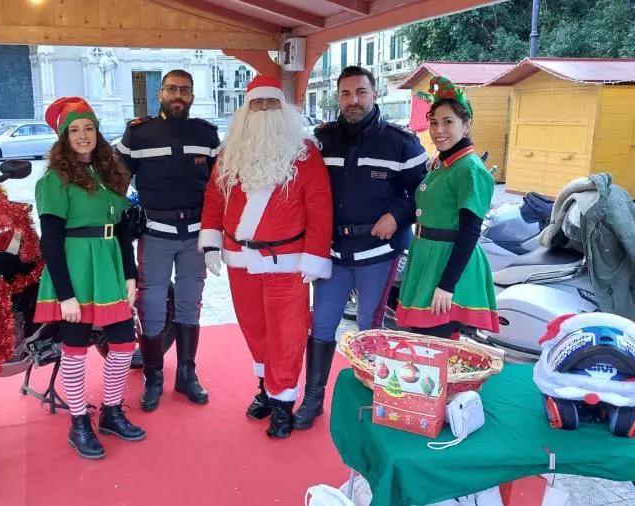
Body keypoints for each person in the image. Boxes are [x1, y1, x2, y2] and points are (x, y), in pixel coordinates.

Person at [199, 75, 333, 439]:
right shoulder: (230, 152)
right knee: (254, 330)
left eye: (270, 103)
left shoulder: (305, 152)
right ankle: (267, 390)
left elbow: (320, 208)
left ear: (282, 109)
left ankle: (283, 404)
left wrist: (313, 257)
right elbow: (214, 199)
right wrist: (211, 242)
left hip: (287, 261)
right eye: (257, 104)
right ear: (246, 110)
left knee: (287, 334)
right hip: (241, 260)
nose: (263, 110)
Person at [298, 66, 427, 430]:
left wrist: (398, 215)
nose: (353, 100)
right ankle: (313, 398)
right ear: (337, 98)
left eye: (360, 92)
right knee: (322, 323)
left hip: (377, 251)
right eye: (345, 94)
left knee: (371, 327)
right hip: (334, 252)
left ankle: (372, 396)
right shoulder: (321, 140)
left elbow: (422, 191)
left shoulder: (401, 142)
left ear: (374, 95)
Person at [34, 96, 146, 460]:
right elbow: (50, 240)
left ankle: (111, 411)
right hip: (76, 271)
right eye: (75, 130)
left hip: (110, 268)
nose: (83, 136)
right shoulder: (55, 180)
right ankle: (79, 421)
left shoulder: (110, 174)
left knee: (124, 344)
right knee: (76, 349)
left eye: (89, 128)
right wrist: (65, 294)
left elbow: (122, 231)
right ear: (63, 137)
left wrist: (129, 276)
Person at [117, 69, 220, 412]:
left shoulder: (206, 134)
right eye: (172, 89)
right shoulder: (139, 133)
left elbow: (221, 186)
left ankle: (187, 375)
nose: (179, 95)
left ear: (192, 95)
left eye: (185, 90)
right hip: (155, 233)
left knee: (191, 302)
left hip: (195, 234)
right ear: (160, 94)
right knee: (151, 306)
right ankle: (154, 377)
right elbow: (116, 181)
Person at [395, 76, 500, 337]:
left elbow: (470, 232)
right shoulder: (443, 163)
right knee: (424, 346)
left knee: (437, 349)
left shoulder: (470, 169)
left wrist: (446, 285)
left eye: (448, 122)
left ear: (467, 125)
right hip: (426, 259)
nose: (438, 130)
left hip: (447, 268)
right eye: (433, 122)